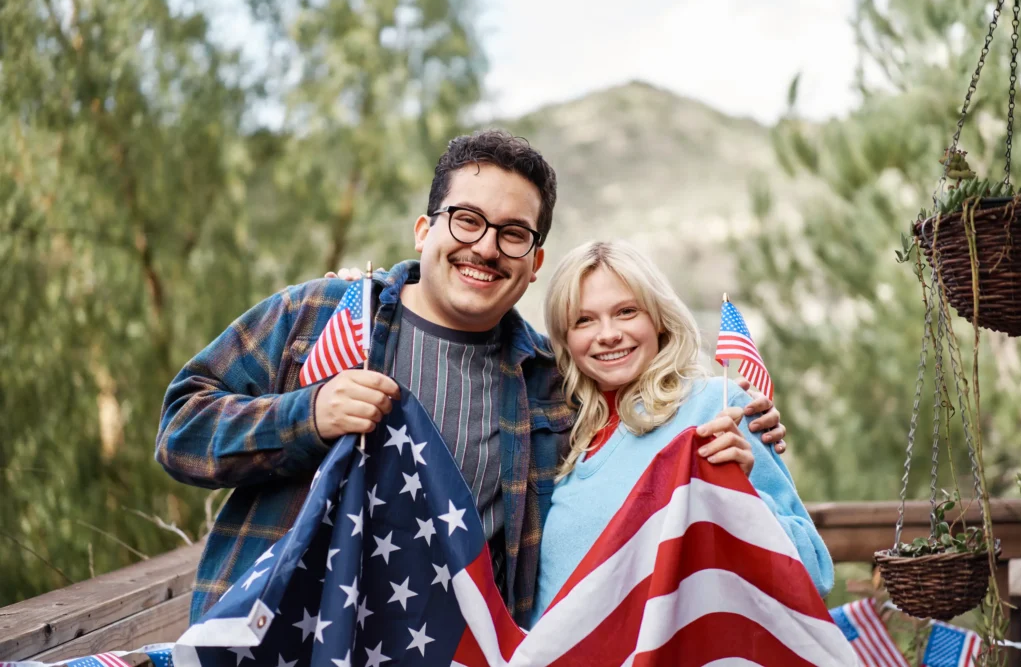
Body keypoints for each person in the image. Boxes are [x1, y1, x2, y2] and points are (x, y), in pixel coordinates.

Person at [155, 130, 787, 627]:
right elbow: (181, 429)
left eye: (513, 234)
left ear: (534, 262)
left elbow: (636, 451)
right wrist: (308, 414)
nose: (485, 248)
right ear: (426, 228)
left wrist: (740, 444)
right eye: (467, 220)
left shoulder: (548, 381)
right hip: (281, 640)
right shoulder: (318, 315)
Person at [529, 240, 831, 627]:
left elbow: (813, 572)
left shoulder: (713, 407)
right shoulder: (560, 428)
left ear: (657, 317)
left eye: (626, 311)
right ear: (565, 338)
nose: (608, 334)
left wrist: (744, 498)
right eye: (584, 320)